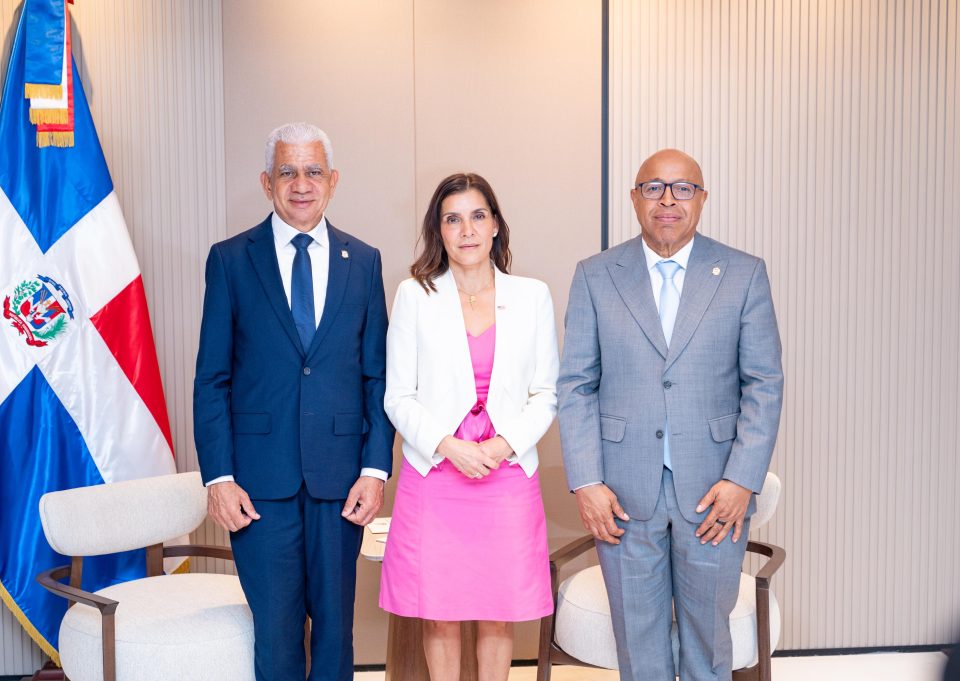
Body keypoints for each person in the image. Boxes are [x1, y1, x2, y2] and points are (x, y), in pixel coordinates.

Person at [557, 149, 784, 681]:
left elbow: (764, 384)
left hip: (714, 493)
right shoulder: (595, 275)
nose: (667, 200)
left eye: (683, 188)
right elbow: (575, 386)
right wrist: (587, 481)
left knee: (708, 643)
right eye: (653, 187)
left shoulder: (743, 273)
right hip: (620, 494)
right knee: (639, 647)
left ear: (701, 199)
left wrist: (741, 480)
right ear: (635, 197)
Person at [193, 122, 393, 681]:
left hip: (341, 482)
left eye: (312, 172)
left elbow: (377, 378)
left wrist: (375, 470)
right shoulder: (231, 260)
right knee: (277, 636)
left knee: (335, 633)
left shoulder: (365, 261)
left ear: (333, 180)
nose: (301, 184)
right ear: (266, 182)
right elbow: (211, 379)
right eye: (287, 172)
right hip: (258, 486)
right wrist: (219, 478)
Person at [380, 173, 558, 681]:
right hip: (437, 473)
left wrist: (502, 446)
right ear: (439, 231)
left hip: (506, 475)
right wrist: (448, 447)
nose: (467, 230)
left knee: (498, 611)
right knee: (439, 612)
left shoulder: (532, 296)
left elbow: (546, 394)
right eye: (453, 219)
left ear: (496, 224)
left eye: (478, 216)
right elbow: (398, 396)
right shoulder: (415, 295)